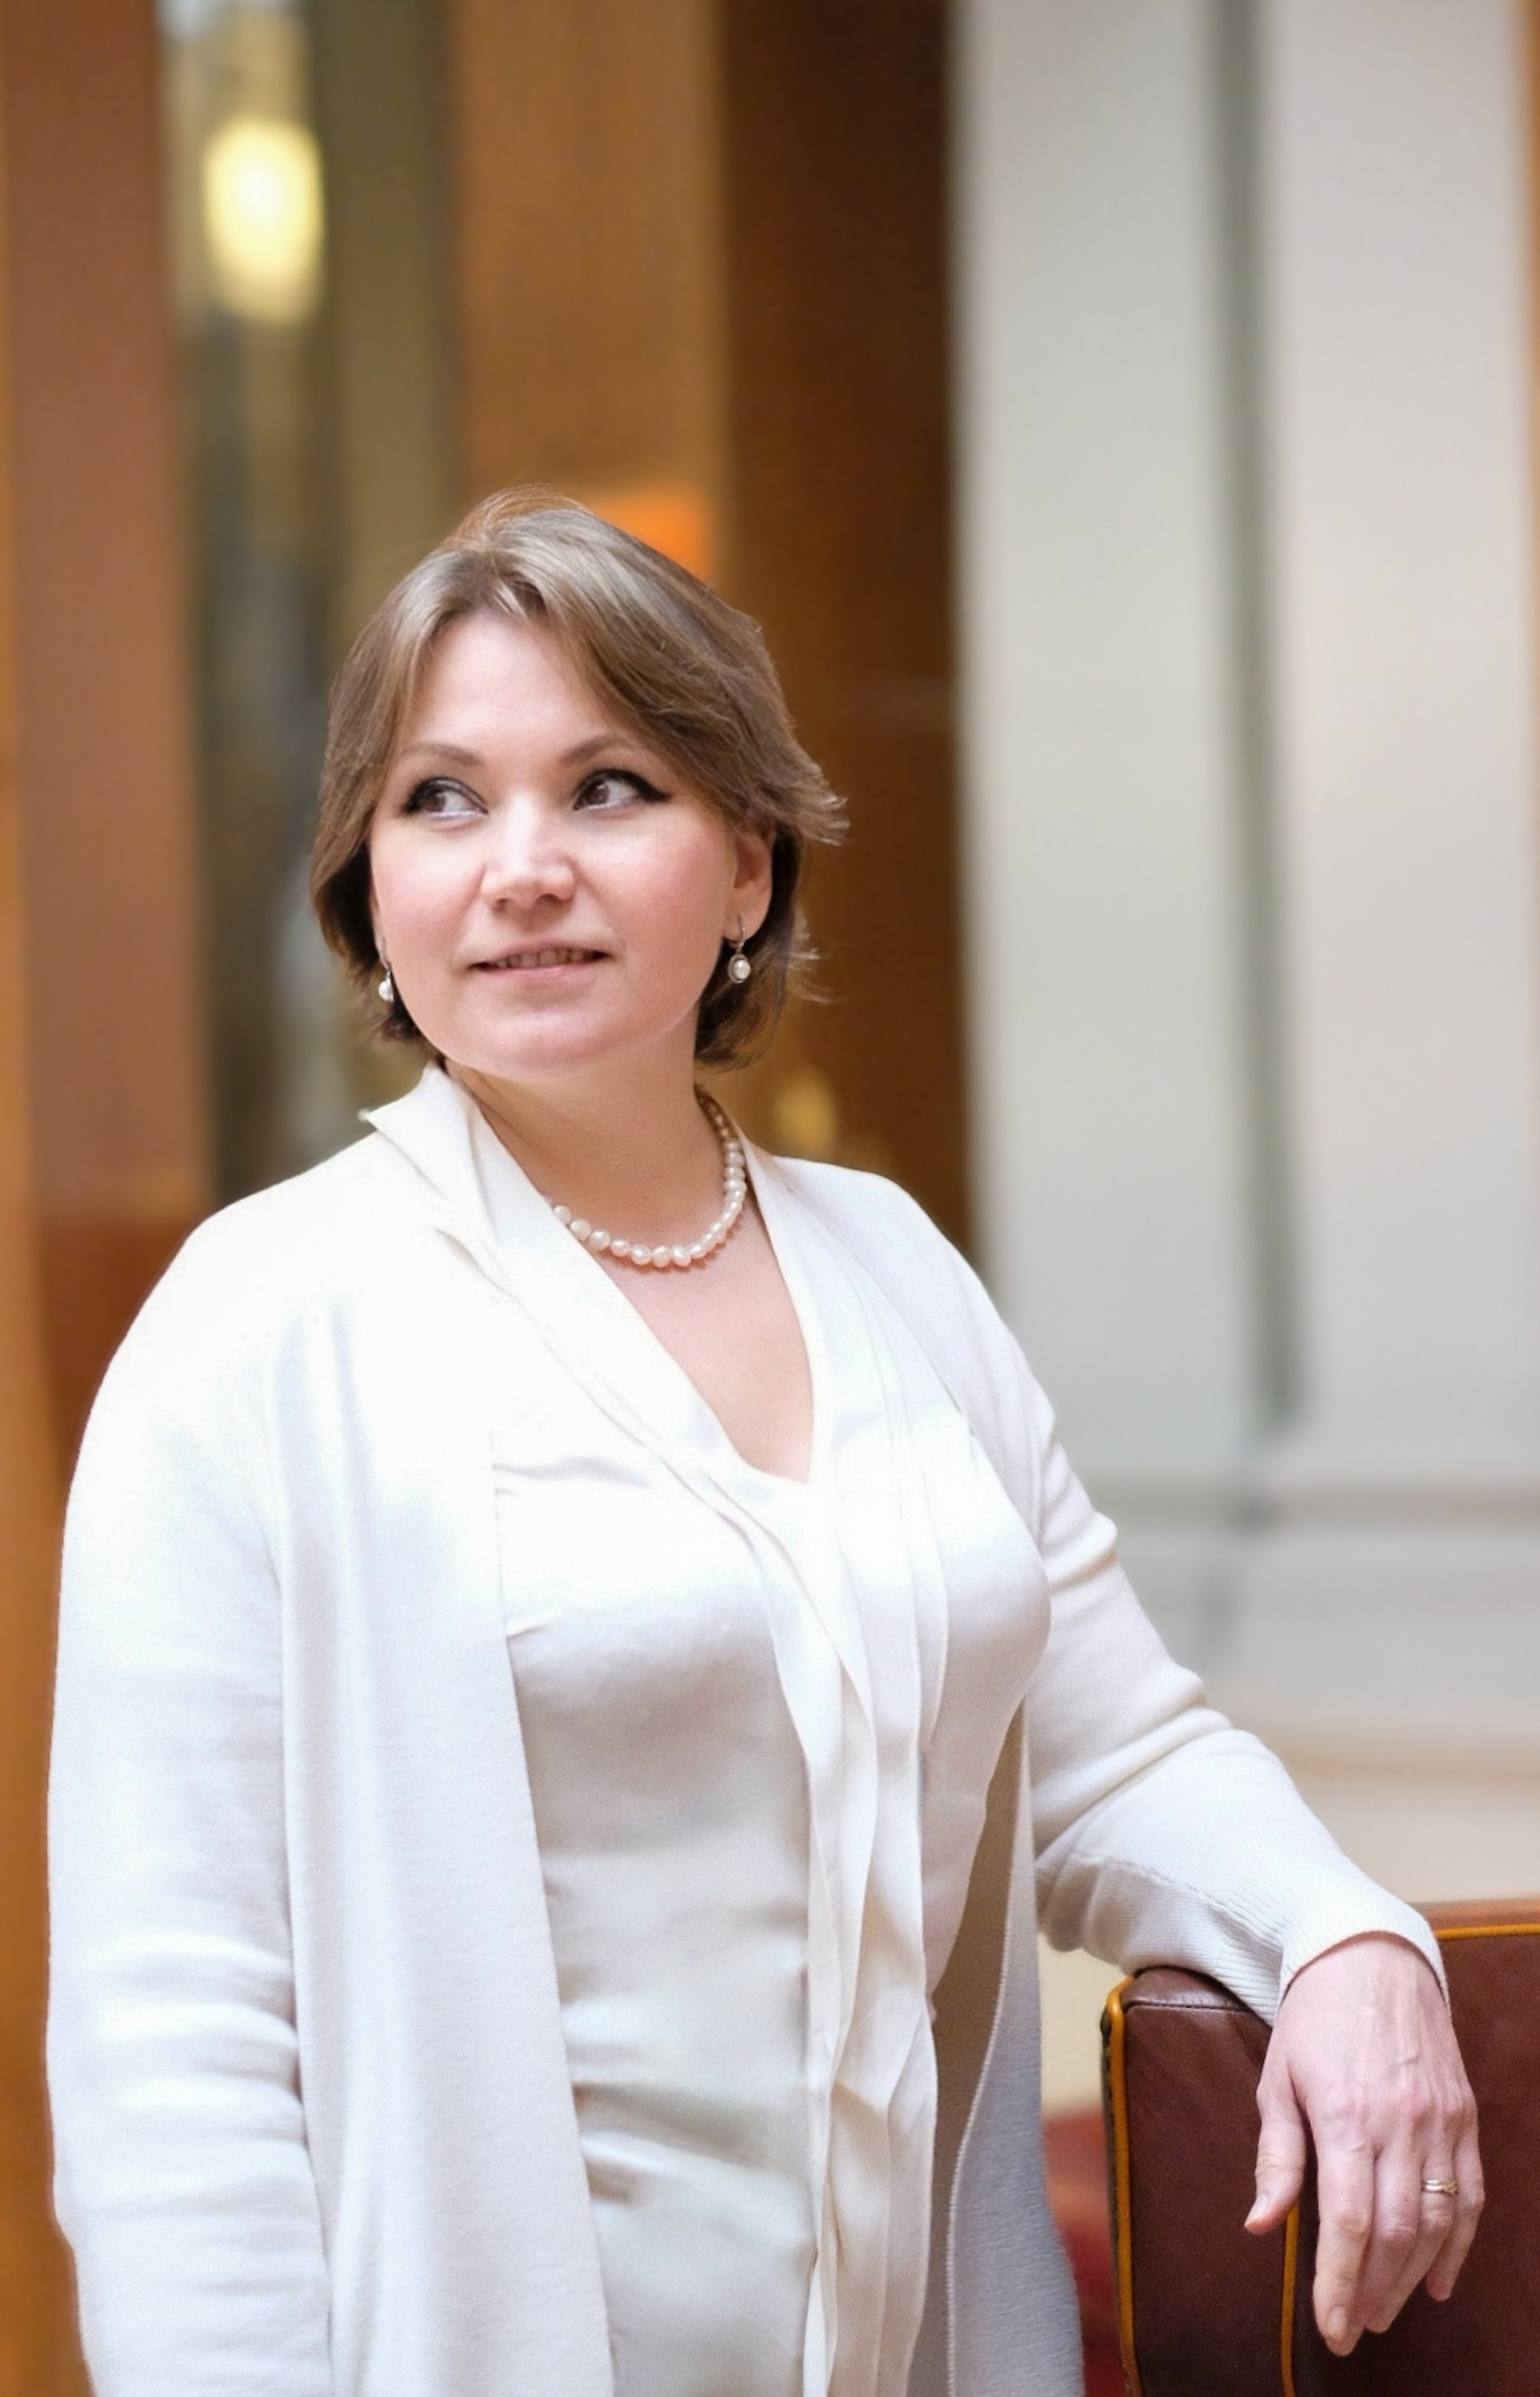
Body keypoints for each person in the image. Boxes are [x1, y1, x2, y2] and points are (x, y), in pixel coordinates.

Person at [48, 491, 1481, 2397]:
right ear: (369, 887)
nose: (522, 868)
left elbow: (1111, 1751)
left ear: (744, 862)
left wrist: (1342, 1938)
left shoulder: (891, 1268)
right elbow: (176, 2048)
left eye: (609, 788)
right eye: (441, 800)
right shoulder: (261, 1324)